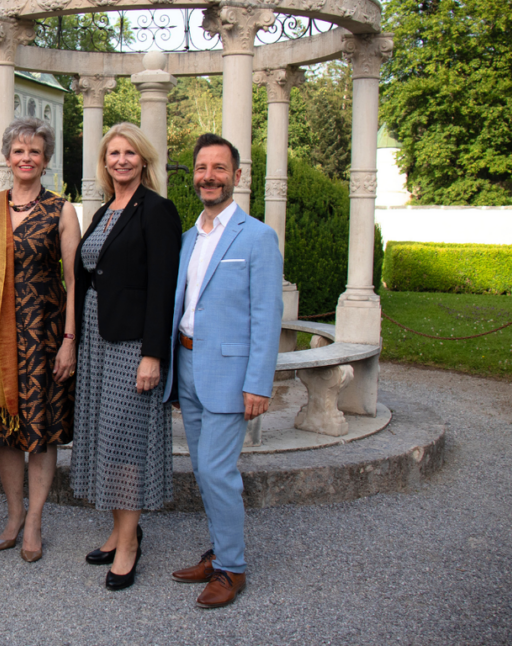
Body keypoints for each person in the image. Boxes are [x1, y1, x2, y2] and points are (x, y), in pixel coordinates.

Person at [163, 133, 283, 609]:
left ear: (236, 176)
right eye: (201, 168)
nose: (208, 176)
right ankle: (218, 552)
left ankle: (232, 568)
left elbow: (266, 315)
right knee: (203, 468)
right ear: (193, 175)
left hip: (231, 374)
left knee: (216, 471)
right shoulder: (189, 238)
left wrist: (258, 382)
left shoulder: (256, 236)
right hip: (188, 365)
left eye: (218, 168)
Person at [70, 123, 181, 590]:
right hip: (98, 336)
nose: (121, 160)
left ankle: (131, 543)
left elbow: (163, 289)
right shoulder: (102, 212)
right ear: (105, 161)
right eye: (113, 153)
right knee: (106, 436)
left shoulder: (157, 211)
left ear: (144, 159)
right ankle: (120, 530)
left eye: (129, 153)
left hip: (132, 343)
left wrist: (153, 355)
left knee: (127, 439)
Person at [0, 118, 80, 563]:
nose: (26, 158)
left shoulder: (61, 210)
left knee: (41, 431)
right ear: (6, 156)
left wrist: (70, 340)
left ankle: (36, 518)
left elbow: (74, 281)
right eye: (19, 151)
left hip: (44, 335)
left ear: (46, 160)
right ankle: (13, 513)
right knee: (5, 431)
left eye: (34, 151)